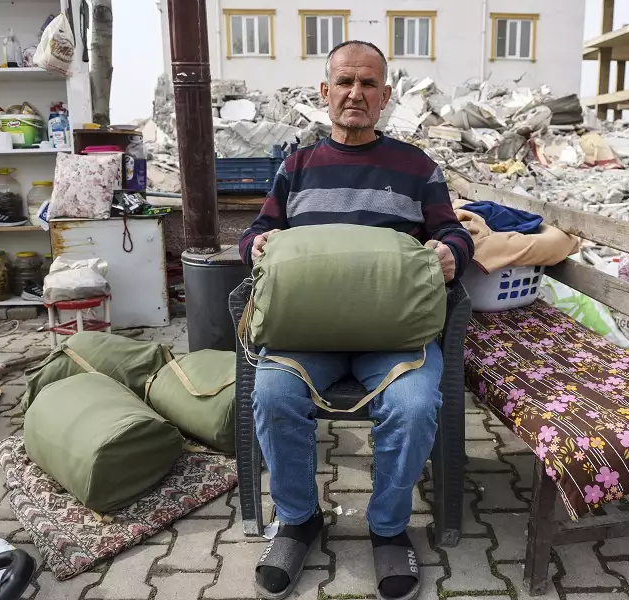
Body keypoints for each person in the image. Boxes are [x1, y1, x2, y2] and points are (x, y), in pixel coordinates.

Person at [239, 40, 474, 600]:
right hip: (306, 333)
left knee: (416, 403)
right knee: (272, 396)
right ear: (325, 92)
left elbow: (454, 231)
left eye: (368, 84)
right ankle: (299, 520)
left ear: (386, 96)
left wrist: (451, 253)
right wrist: (258, 243)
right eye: (344, 82)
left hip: (392, 336)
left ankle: (388, 528)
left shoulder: (417, 167)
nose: (355, 93)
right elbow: (254, 233)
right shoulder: (295, 167)